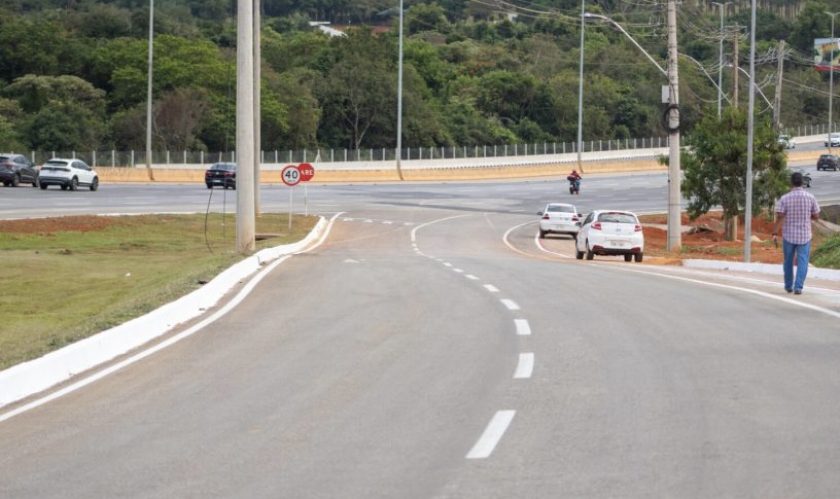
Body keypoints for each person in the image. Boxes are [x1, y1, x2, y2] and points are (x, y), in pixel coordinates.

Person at [773, 171, 820, 295]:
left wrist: (774, 232)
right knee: (803, 260)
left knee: (788, 260)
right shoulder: (810, 197)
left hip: (788, 235)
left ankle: (788, 286)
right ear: (802, 183)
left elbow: (780, 215)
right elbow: (816, 215)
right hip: (805, 235)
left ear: (791, 183)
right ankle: (798, 287)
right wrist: (808, 215)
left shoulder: (785, 198)